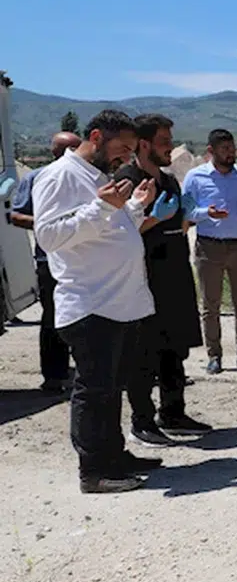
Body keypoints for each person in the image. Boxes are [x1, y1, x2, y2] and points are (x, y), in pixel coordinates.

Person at [31, 110, 163, 493]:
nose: (125, 157)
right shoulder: (59, 176)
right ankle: (94, 470)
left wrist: (134, 208)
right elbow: (49, 236)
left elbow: (107, 233)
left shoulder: (100, 177)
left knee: (111, 388)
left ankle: (115, 455)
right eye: (121, 148)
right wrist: (103, 207)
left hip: (119, 304)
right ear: (95, 136)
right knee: (94, 390)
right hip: (91, 304)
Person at [117, 114, 212, 445]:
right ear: (144, 145)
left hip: (175, 273)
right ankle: (142, 420)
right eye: (164, 141)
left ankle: (173, 412)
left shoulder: (170, 180)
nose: (170, 147)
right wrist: (154, 219)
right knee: (144, 353)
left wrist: (188, 217)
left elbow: (179, 225)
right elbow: (118, 233)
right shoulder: (128, 179)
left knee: (176, 348)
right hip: (144, 278)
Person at [182, 129, 237, 374]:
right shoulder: (195, 177)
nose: (230, 154)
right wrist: (208, 213)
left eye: (232, 149)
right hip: (209, 246)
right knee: (211, 304)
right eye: (225, 149)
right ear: (211, 151)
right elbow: (186, 212)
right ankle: (214, 355)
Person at [8, 131, 81, 392]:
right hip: (49, 259)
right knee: (53, 317)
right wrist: (54, 226)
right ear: (54, 152)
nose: (71, 154)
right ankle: (54, 375)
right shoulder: (36, 178)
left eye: (76, 148)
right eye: (66, 149)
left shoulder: (88, 178)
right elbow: (16, 216)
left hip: (85, 259)